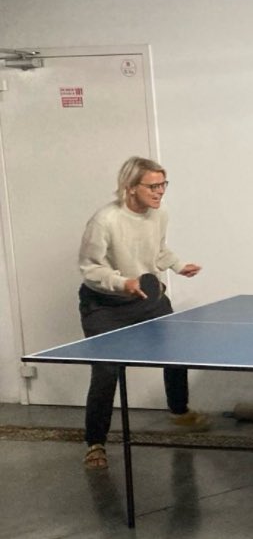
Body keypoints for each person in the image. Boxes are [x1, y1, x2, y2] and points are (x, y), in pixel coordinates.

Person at [78, 156, 210, 471]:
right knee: (106, 371)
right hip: (105, 304)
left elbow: (158, 250)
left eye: (163, 184)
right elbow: (90, 268)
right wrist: (121, 282)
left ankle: (179, 411)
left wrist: (178, 266)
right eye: (153, 186)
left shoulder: (159, 214)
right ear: (130, 187)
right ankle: (95, 443)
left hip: (146, 295)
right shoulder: (105, 220)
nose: (160, 192)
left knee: (175, 351)